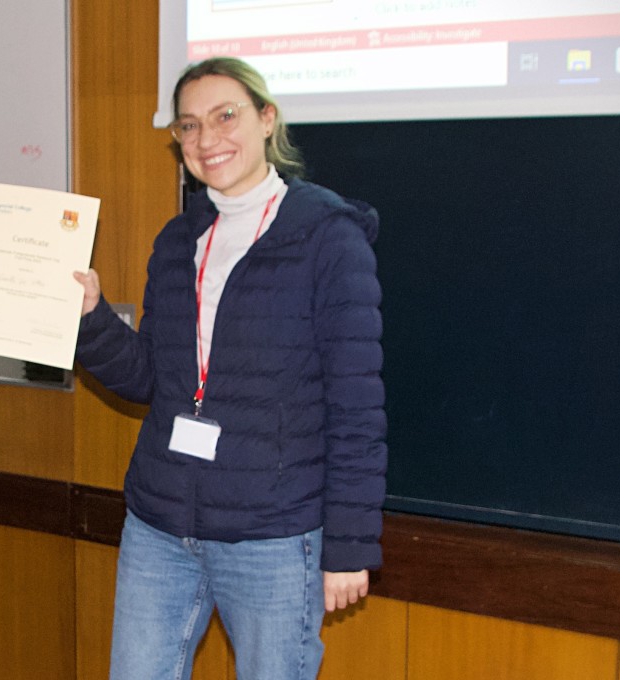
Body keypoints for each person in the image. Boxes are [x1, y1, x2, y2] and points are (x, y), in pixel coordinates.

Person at [74, 56, 387, 680]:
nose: (207, 139)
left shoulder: (328, 237)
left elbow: (356, 406)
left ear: (267, 119)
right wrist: (89, 317)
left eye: (226, 116)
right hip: (160, 526)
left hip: (271, 536)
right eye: (189, 126)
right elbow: (147, 380)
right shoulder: (177, 240)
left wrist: (350, 545)